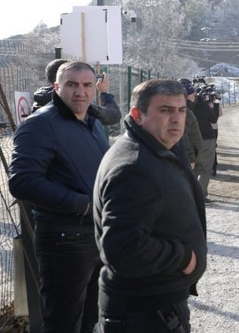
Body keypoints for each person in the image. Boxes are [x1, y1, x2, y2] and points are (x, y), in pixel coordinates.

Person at [94, 79, 207, 331]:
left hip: (156, 304)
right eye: (165, 110)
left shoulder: (156, 148)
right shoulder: (134, 166)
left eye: (181, 110)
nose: (177, 118)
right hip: (144, 312)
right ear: (137, 114)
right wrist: (185, 259)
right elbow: (122, 249)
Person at [8, 61, 110, 332]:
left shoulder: (92, 123)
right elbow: (22, 181)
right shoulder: (39, 125)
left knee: (91, 319)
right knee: (63, 324)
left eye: (87, 85)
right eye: (72, 84)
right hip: (64, 242)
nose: (80, 91)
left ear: (95, 89)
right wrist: (84, 204)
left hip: (98, 236)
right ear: (57, 86)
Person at [32, 58, 122, 125]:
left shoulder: (41, 103)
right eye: (71, 84)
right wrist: (104, 93)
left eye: (87, 84)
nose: (79, 93)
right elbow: (113, 116)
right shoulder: (73, 106)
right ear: (57, 83)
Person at [182, 79, 220, 203]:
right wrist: (214, 103)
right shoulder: (202, 104)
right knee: (206, 168)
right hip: (207, 138)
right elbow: (213, 119)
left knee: (191, 167)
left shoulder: (180, 107)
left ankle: (189, 194)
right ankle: (201, 195)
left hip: (190, 140)